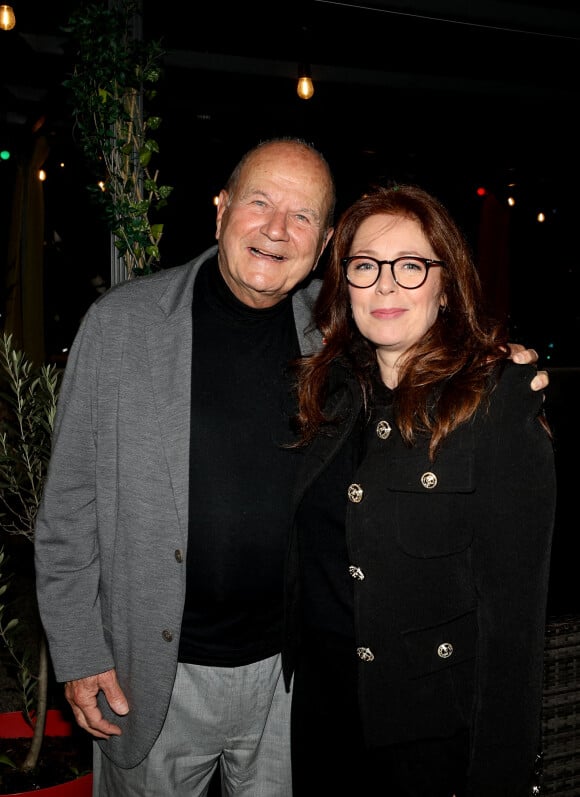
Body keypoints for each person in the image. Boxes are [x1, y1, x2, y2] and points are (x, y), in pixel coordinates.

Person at [33, 138, 546, 797]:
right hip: (153, 673)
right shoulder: (120, 327)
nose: (277, 229)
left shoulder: (335, 336)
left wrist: (502, 371)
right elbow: (68, 508)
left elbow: (426, 350)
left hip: (290, 679)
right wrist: (80, 655)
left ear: (326, 241)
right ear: (220, 210)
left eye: (302, 215)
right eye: (260, 203)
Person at [284, 183, 557, 797]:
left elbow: (514, 634)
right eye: (365, 266)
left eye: (410, 266)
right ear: (344, 283)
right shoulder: (324, 396)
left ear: (445, 286)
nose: (384, 285)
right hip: (324, 723)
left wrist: (501, 776)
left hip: (432, 740)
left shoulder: (495, 408)